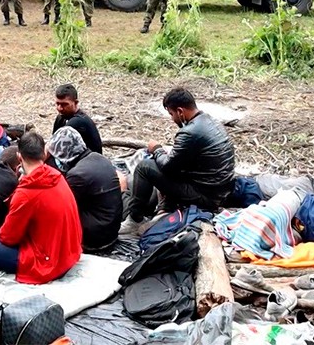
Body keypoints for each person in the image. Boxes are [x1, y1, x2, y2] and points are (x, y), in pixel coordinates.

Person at [120, 88, 236, 235]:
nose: (172, 119)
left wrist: (156, 149)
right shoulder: (210, 121)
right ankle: (165, 209)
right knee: (169, 166)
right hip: (222, 189)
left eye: (172, 114)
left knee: (145, 167)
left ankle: (134, 219)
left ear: (180, 111)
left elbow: (168, 167)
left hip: (207, 197)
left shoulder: (189, 132)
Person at [0, 131, 82, 284]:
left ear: (19, 157)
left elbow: (8, 238)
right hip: (69, 252)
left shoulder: (26, 193)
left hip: (47, 263)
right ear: (44, 155)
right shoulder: (56, 176)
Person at [47, 127, 122, 251]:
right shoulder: (98, 157)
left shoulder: (78, 174)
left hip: (95, 237)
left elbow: (59, 206)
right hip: (110, 229)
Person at [52, 83, 103, 153]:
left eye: (64, 104)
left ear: (76, 103)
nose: (59, 108)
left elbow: (52, 148)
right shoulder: (61, 118)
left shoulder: (79, 121)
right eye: (57, 104)